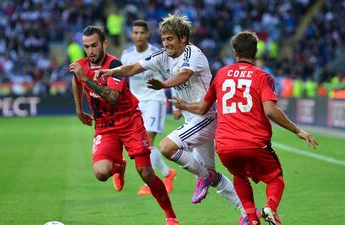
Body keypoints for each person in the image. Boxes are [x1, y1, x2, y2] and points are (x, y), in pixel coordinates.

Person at [99, 14, 247, 223]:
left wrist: (164, 85)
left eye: (170, 38)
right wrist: (111, 71)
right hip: (193, 119)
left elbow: (184, 74)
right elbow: (133, 68)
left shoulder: (192, 53)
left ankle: (205, 176)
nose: (166, 43)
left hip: (207, 116)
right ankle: (247, 213)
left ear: (183, 39)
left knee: (167, 147)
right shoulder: (162, 55)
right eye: (164, 38)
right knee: (212, 175)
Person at [170, 30, 318, 225]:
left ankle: (251, 218)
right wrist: (298, 130)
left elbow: (203, 107)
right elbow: (271, 111)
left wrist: (184, 106)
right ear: (255, 52)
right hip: (254, 143)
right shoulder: (263, 77)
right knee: (275, 178)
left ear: (234, 52)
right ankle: (270, 208)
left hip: (225, 146)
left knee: (239, 176)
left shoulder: (221, 74)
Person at [69, 25, 179, 225]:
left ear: (104, 44)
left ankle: (170, 216)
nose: (90, 51)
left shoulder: (115, 64)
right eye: (86, 47)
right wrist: (78, 110)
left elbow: (111, 96)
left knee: (146, 173)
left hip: (129, 121)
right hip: (104, 125)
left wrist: (86, 79)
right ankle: (119, 166)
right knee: (101, 173)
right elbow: (76, 81)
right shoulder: (80, 65)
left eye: (94, 45)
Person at [121, 20, 177, 196]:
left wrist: (175, 102)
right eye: (135, 32)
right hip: (135, 104)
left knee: (147, 142)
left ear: (147, 34)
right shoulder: (126, 55)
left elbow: (171, 76)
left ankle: (150, 183)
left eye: (141, 33)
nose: (138, 36)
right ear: (132, 35)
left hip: (155, 100)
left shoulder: (156, 54)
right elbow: (122, 80)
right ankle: (168, 174)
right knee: (141, 145)